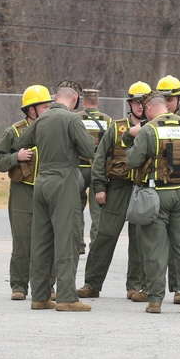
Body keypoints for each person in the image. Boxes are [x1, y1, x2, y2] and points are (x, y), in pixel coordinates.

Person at [123, 90, 180, 314]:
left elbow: (132, 161)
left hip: (156, 194)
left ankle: (155, 301)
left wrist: (132, 138)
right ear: (166, 107)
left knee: (155, 250)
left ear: (150, 109)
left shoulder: (149, 130)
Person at [17, 80, 97, 312]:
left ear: (55, 98)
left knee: (41, 241)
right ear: (74, 99)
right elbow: (88, 150)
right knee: (66, 239)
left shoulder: (42, 118)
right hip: (64, 181)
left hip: (41, 182)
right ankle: (66, 297)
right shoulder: (72, 119)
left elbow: (23, 141)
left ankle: (40, 296)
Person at [77, 81, 152, 301]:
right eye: (136, 102)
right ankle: (92, 284)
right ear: (130, 104)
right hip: (117, 188)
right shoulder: (116, 127)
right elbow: (100, 158)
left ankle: (134, 286)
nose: (140, 106)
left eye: (144, 102)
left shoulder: (154, 129)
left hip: (141, 189)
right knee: (104, 236)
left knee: (139, 240)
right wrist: (99, 187)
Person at [0, 85, 51, 300]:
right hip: (23, 193)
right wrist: (16, 157)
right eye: (44, 106)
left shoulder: (54, 129)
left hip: (48, 192)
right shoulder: (14, 132)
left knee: (47, 242)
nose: (49, 109)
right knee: (23, 242)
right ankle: (19, 286)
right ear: (31, 110)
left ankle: (46, 287)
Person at [155, 74, 180, 304]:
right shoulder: (151, 126)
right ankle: (148, 290)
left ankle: (178, 289)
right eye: (164, 98)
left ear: (179, 100)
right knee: (154, 246)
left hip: (179, 188)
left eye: (171, 98)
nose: (167, 103)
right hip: (156, 190)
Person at [76, 88, 112, 257]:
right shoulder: (108, 121)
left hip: (79, 168)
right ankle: (95, 245)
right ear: (97, 102)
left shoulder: (76, 119)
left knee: (76, 208)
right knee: (97, 211)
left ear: (83, 102)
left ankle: (78, 243)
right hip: (99, 170)